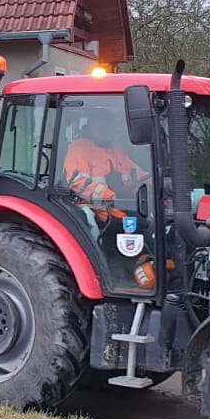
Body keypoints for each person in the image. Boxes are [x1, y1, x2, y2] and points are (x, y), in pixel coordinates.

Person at [63, 105, 157, 290]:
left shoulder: (114, 149)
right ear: (91, 125)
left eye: (109, 124)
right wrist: (112, 196)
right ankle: (123, 277)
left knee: (152, 224)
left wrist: (156, 183)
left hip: (120, 206)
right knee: (139, 226)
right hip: (95, 208)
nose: (107, 128)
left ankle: (149, 270)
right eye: (102, 124)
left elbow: (134, 173)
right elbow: (77, 181)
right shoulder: (79, 148)